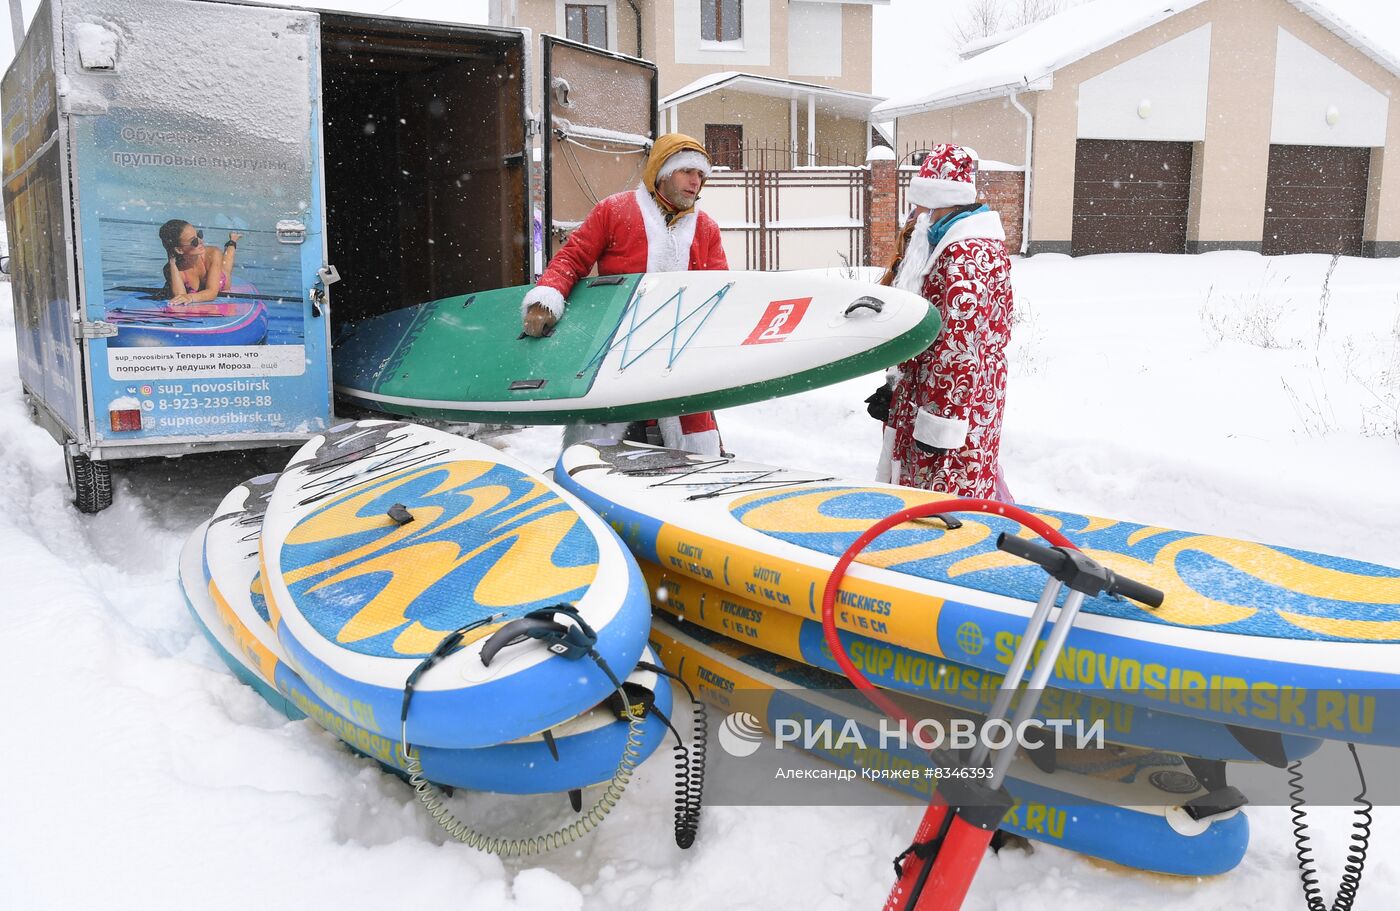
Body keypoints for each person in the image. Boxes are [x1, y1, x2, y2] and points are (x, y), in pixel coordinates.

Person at [520, 133, 729, 454]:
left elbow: (721, 290)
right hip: (616, 353)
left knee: (690, 453)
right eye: (687, 171)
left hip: (681, 361)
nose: (695, 181)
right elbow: (572, 257)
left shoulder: (706, 229)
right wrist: (546, 299)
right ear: (662, 171)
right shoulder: (614, 211)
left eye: (700, 175)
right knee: (602, 452)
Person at [871, 144, 1014, 499]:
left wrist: (940, 425)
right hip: (936, 398)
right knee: (930, 493)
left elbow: (958, 352)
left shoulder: (966, 256)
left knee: (944, 500)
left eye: (919, 203)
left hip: (954, 410)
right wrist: (896, 389)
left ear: (938, 201)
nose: (914, 211)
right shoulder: (946, 242)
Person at [158, 219, 241, 306]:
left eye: (199, 235)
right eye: (194, 241)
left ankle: (233, 240)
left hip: (221, 278)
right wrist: (172, 262)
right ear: (179, 249)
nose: (201, 241)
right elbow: (179, 297)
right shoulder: (171, 269)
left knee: (226, 265)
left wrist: (190, 297)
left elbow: (212, 292)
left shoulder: (213, 254)